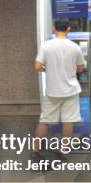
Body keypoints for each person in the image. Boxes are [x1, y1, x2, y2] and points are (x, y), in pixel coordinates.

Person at [32, 19, 85, 159]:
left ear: (54, 29)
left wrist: (47, 70)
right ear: (68, 29)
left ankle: (35, 151)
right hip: (71, 91)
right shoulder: (75, 47)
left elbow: (37, 66)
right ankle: (64, 150)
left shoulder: (46, 46)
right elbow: (80, 68)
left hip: (52, 91)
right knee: (68, 121)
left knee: (44, 121)